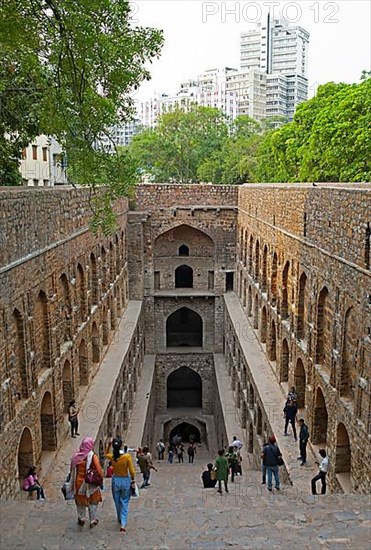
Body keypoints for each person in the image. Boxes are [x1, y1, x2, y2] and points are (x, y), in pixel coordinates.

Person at [70, 437, 103, 528]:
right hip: (90, 482)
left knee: (80, 500)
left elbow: (72, 469)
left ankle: (81, 518)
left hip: (78, 482)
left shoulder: (76, 456)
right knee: (93, 500)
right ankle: (92, 520)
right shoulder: (92, 456)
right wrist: (100, 479)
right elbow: (98, 468)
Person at [105, 438, 136, 533]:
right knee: (125, 501)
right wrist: (133, 480)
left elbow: (106, 454)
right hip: (125, 480)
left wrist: (109, 445)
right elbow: (132, 471)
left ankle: (119, 517)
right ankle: (123, 522)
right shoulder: (127, 457)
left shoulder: (112, 457)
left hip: (116, 480)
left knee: (117, 500)